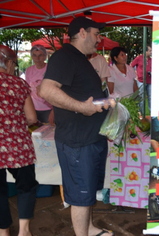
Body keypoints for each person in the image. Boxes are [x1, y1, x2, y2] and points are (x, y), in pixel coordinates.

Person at [39, 17, 114, 236]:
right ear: (82, 32)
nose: (99, 39)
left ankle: (89, 229)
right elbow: (46, 90)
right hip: (78, 141)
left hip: (91, 137)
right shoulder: (64, 57)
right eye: (96, 34)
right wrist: (82, 108)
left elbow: (82, 93)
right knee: (81, 194)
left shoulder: (81, 58)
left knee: (88, 190)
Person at [0, 44, 39, 236]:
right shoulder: (18, 84)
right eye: (14, 64)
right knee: (27, 185)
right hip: (18, 146)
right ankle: (24, 230)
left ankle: (4, 230)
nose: (14, 68)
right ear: (7, 62)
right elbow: (31, 118)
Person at [25, 44, 53, 123]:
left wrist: (54, 110)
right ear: (31, 57)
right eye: (34, 55)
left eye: (40, 55)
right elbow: (27, 91)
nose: (37, 58)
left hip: (49, 109)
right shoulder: (29, 70)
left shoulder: (50, 69)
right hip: (34, 109)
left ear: (44, 56)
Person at [131, 46, 152, 114]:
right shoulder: (139, 58)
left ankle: (152, 114)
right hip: (141, 81)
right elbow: (131, 66)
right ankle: (141, 114)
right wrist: (135, 75)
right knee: (141, 98)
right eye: (150, 51)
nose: (151, 52)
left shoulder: (151, 60)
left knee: (150, 98)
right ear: (145, 51)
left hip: (150, 81)